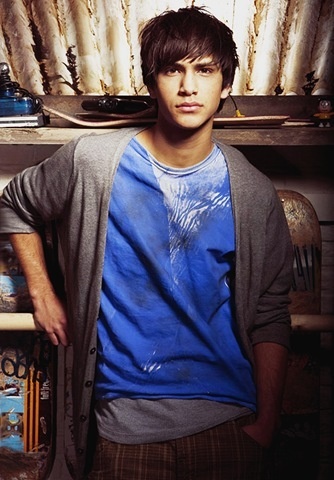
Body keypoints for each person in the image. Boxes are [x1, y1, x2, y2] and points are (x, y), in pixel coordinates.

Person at [0, 6, 293, 480]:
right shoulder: (93, 163)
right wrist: (43, 294)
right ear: (151, 80)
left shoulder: (252, 191)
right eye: (172, 69)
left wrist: (266, 424)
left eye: (204, 70)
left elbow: (270, 315)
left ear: (226, 83)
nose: (188, 87)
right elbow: (14, 203)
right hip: (123, 430)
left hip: (229, 424)